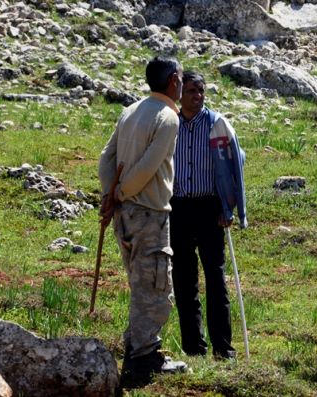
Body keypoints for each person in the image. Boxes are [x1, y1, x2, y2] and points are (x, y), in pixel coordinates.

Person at [98, 56, 188, 387]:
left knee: (141, 283)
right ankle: (144, 359)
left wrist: (110, 194)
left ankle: (137, 350)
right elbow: (149, 167)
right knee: (153, 287)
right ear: (173, 81)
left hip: (124, 214)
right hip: (148, 211)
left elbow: (106, 158)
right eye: (179, 78)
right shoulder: (167, 118)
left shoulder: (131, 110)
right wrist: (121, 192)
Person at [170, 71, 247, 360]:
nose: (197, 96)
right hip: (178, 207)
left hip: (209, 208)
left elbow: (234, 165)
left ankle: (223, 348)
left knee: (216, 277)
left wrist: (229, 208)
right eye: (191, 90)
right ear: (180, 93)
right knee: (183, 278)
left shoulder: (217, 124)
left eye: (200, 90)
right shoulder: (170, 124)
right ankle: (193, 347)